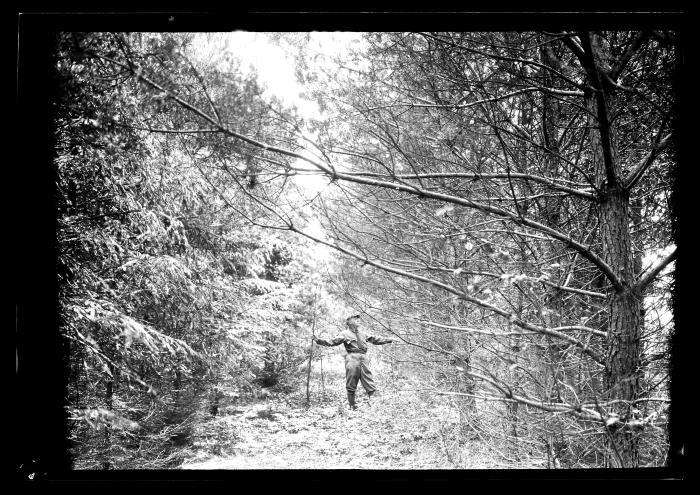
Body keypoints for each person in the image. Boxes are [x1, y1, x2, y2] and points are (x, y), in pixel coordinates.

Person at [312, 314, 393, 410]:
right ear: (349, 322)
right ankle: (352, 405)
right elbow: (332, 341)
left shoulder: (363, 333)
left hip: (363, 357)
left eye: (358, 319)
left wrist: (389, 340)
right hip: (352, 357)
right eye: (355, 319)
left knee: (368, 378)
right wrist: (319, 340)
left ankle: (374, 403)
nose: (358, 320)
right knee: (351, 380)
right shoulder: (344, 333)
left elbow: (375, 339)